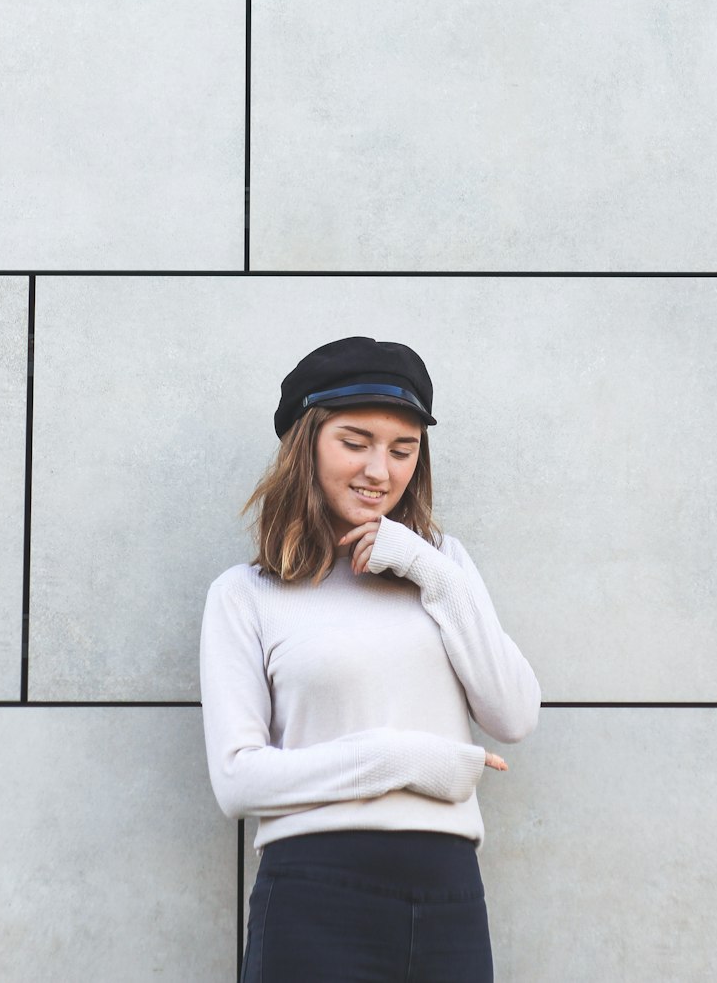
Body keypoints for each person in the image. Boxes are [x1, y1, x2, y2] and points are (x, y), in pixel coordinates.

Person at [199, 334, 541, 983]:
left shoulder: (445, 568)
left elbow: (515, 713)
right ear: (306, 445)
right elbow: (237, 781)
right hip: (314, 895)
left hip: (449, 897)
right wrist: (402, 760)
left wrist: (428, 570)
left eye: (402, 449)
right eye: (355, 443)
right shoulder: (246, 596)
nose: (379, 471)